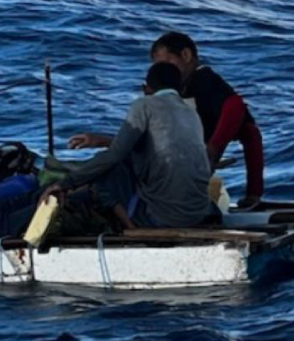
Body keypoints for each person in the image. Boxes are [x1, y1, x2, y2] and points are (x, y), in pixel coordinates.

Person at [40, 62, 216, 229]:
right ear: (181, 88)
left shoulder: (144, 105)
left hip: (163, 218)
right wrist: (101, 140)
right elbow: (152, 144)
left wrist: (66, 183)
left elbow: (115, 155)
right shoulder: (191, 113)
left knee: (107, 171)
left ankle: (132, 225)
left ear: (146, 88)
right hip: (198, 213)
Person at [149, 31, 265, 209]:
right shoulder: (175, 88)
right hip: (196, 140)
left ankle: (253, 195)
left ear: (186, 56)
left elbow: (236, 107)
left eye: (167, 64)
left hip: (216, 131)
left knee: (250, 132)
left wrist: (213, 150)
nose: (163, 72)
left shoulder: (203, 77)